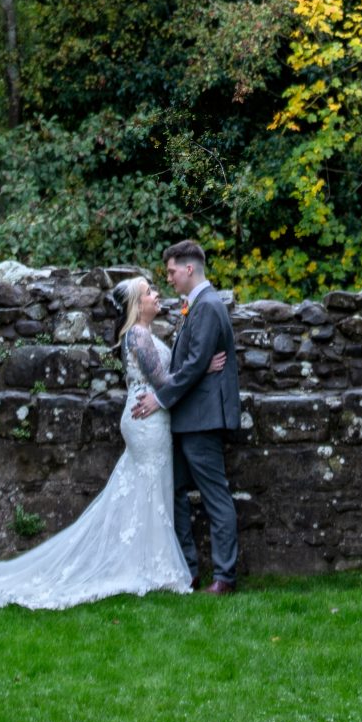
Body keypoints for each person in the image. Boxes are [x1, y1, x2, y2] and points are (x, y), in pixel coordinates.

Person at [0, 272, 226, 610]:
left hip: (152, 419)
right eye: (149, 292)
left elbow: (166, 376)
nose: (156, 295)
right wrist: (202, 369)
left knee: (151, 491)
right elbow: (163, 381)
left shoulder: (145, 332)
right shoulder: (136, 334)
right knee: (149, 489)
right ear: (137, 303)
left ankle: (154, 563)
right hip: (146, 421)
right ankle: (150, 567)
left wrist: (192, 369)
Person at [131, 238, 242, 593]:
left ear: (189, 268)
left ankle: (224, 577)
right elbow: (193, 362)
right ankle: (188, 569)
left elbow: (193, 364)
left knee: (214, 496)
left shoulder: (208, 306)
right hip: (188, 416)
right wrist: (198, 366)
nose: (170, 278)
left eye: (172, 271)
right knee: (175, 490)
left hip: (203, 418)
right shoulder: (194, 306)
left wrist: (161, 398)